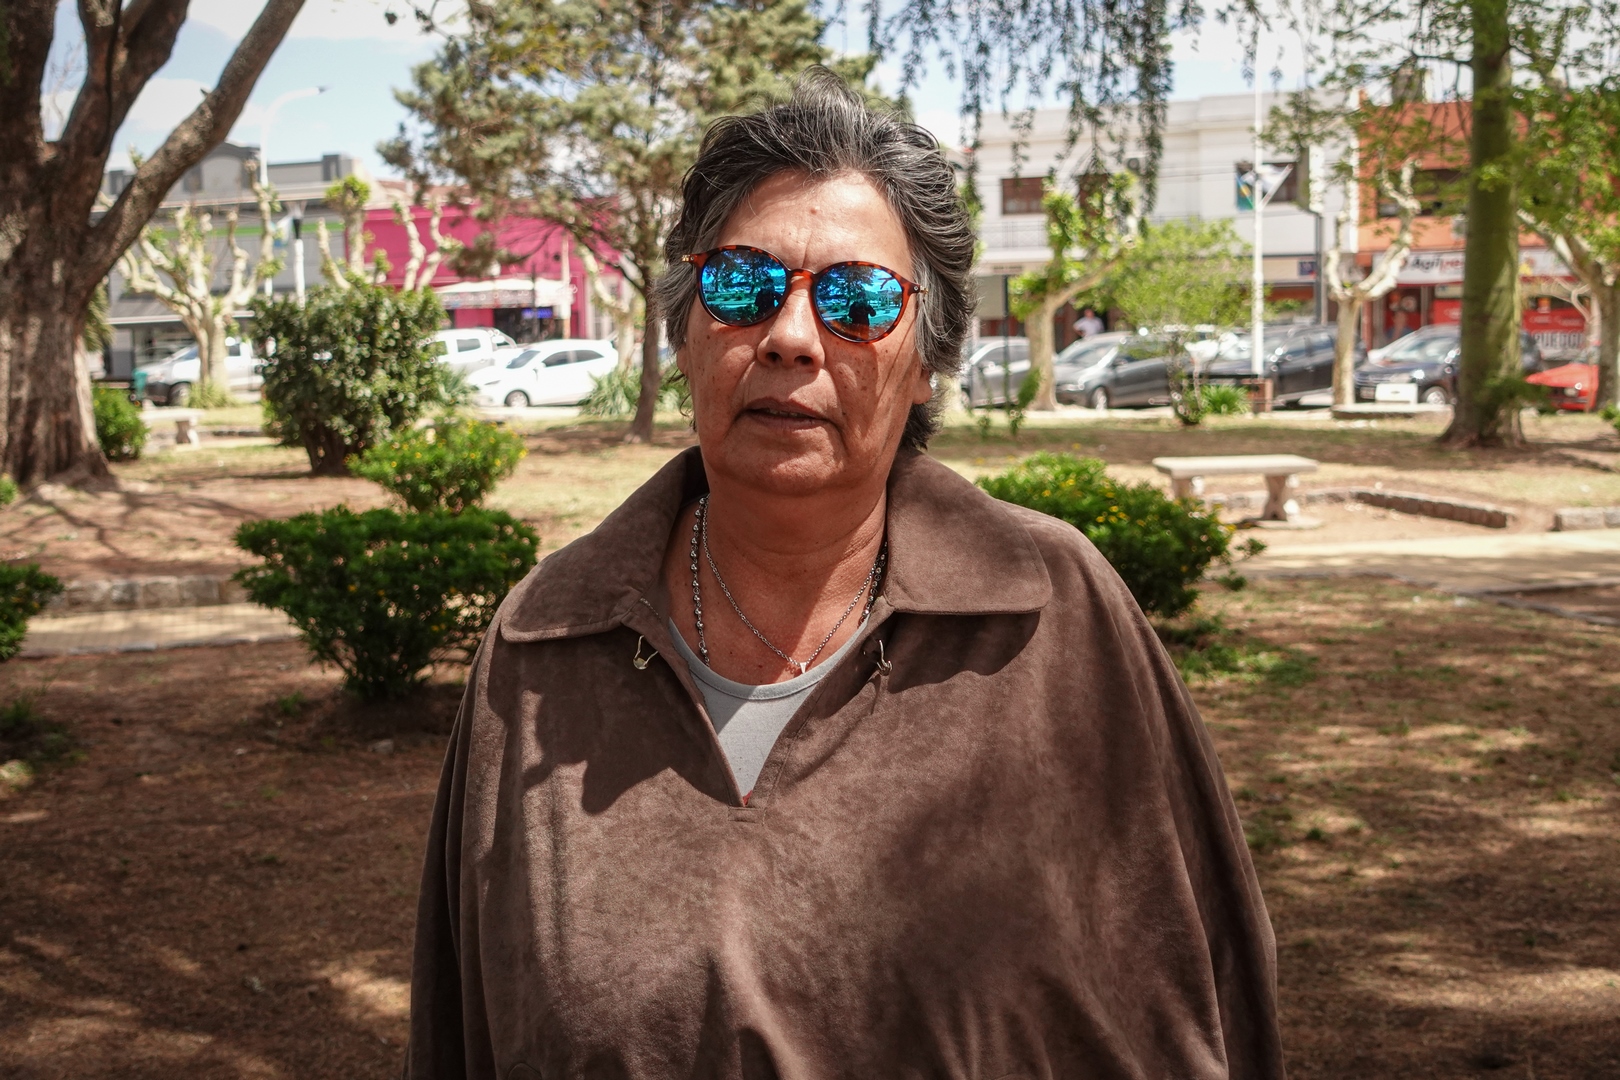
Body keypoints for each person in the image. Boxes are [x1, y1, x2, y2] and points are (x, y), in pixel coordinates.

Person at [406, 69, 1282, 1080]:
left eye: (857, 300)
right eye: (742, 284)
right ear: (684, 333)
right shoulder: (543, 642)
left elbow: (1211, 987)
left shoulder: (1054, 613)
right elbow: (459, 1029)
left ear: (926, 364)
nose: (789, 337)